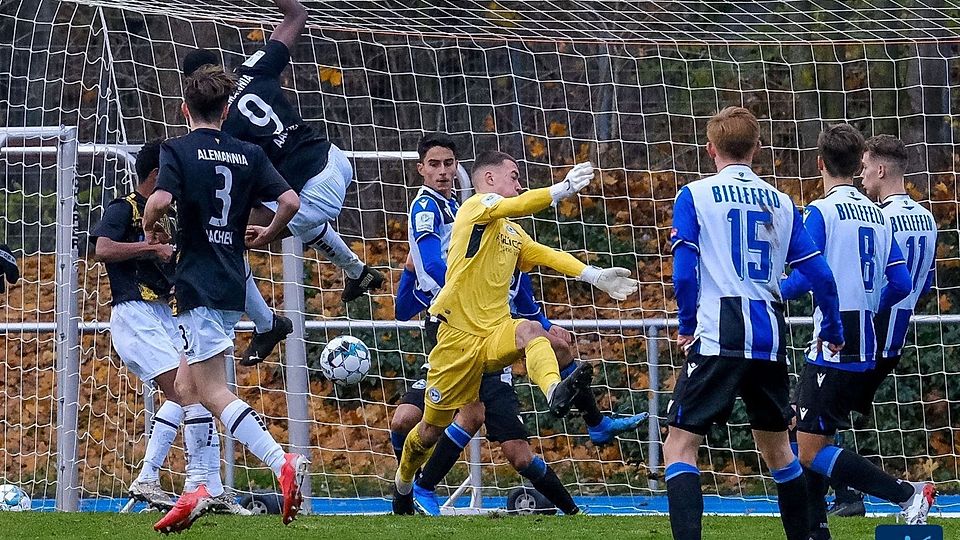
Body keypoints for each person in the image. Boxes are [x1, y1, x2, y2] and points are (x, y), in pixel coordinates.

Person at [390, 133, 645, 515]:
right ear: (490, 180)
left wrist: (594, 275)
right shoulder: (475, 206)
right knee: (426, 431)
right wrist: (560, 189)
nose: (519, 183)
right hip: (455, 338)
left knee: (531, 332)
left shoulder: (507, 230)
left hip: (493, 334)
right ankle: (405, 482)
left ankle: (556, 391)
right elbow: (525, 202)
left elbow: (545, 254)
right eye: (513, 175)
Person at [665, 106, 845, 540]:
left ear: (711, 150)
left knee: (679, 444)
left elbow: (684, 272)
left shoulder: (695, 195)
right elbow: (820, 274)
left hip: (717, 337)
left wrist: (687, 324)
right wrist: (834, 329)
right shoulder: (781, 202)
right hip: (769, 340)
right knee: (780, 450)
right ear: (757, 149)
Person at [143, 65, 306, 532]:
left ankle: (281, 463)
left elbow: (157, 202)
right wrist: (268, 233)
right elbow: (290, 203)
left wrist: (152, 227)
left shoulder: (176, 150)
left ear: (184, 108)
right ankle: (198, 488)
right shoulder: (249, 152)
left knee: (210, 389)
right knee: (186, 385)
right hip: (233, 278)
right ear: (227, 109)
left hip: (198, 280)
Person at [181, 0, 383, 367]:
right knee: (289, 216)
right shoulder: (251, 71)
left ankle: (266, 324)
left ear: (191, 91)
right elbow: (297, 14)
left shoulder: (216, 129)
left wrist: (271, 231)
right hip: (333, 158)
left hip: (309, 190)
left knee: (219, 241)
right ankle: (358, 272)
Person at [783, 128, 935, 534]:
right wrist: (870, 310)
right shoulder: (876, 214)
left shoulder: (820, 212)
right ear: (857, 165)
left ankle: (906, 494)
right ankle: (818, 529)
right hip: (865, 339)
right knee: (811, 434)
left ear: (820, 164)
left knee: (809, 449)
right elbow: (903, 284)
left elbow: (803, 278)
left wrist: (767, 292)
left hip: (833, 341)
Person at [89, 140, 246, 515]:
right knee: (190, 392)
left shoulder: (168, 216)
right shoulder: (124, 207)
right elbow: (102, 249)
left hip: (161, 313)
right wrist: (151, 249)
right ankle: (200, 485)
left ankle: (165, 480)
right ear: (158, 175)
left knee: (194, 388)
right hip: (133, 314)